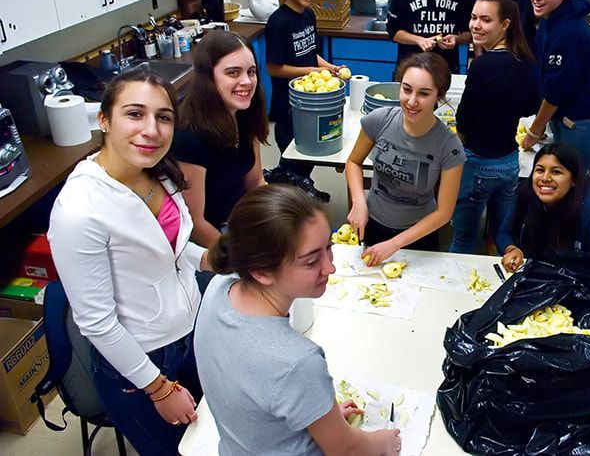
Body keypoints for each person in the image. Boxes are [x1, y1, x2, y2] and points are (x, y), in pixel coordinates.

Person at [48, 70, 208, 454]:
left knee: (210, 439)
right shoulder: (79, 211)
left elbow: (170, 248)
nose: (151, 130)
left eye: (163, 117)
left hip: (188, 334)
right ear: (103, 119)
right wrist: (158, 388)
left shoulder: (156, 173)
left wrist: (215, 260)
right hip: (138, 364)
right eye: (135, 114)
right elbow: (97, 323)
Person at [194, 185, 402, 455]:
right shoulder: (298, 362)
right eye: (311, 261)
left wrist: (317, 413)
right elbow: (348, 450)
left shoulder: (218, 288)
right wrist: (385, 442)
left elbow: (254, 392)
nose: (330, 267)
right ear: (262, 272)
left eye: (329, 247)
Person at [346, 53, 466, 265]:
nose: (412, 101)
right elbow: (353, 162)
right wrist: (358, 202)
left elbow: (444, 213)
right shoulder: (379, 120)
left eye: (424, 93)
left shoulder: (449, 145)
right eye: (407, 89)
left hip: (419, 236)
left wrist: (394, 244)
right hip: (373, 224)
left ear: (439, 96)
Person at [449, 0, 538, 254]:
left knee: (463, 240)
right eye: (474, 17)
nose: (476, 25)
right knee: (504, 240)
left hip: (478, 164)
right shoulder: (525, 60)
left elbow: (464, 119)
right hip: (509, 164)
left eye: (486, 20)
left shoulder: (483, 65)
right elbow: (531, 106)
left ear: (505, 24)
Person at [171, 30, 269, 248]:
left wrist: (280, 218)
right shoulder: (188, 138)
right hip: (206, 244)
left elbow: (255, 183)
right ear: (208, 77)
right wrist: (235, 261)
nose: (246, 81)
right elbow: (195, 225)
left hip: (237, 222)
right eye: (233, 73)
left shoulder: (244, 114)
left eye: (251, 72)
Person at [521, 0, 590, 170]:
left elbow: (556, 93)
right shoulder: (550, 21)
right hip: (566, 116)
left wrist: (533, 132)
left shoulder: (567, 32)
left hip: (583, 122)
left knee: (572, 180)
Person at [266, 0, 341, 179]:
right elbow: (273, 68)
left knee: (308, 155)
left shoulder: (308, 15)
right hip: (288, 105)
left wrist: (330, 67)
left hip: (310, 103)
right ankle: (285, 189)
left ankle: (303, 185)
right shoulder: (278, 22)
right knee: (292, 158)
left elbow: (310, 53)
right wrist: (312, 71)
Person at [497, 143, 590, 272]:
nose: (545, 178)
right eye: (540, 170)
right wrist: (512, 249)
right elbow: (505, 233)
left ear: (573, 180)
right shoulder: (526, 193)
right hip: (536, 276)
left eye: (556, 172)